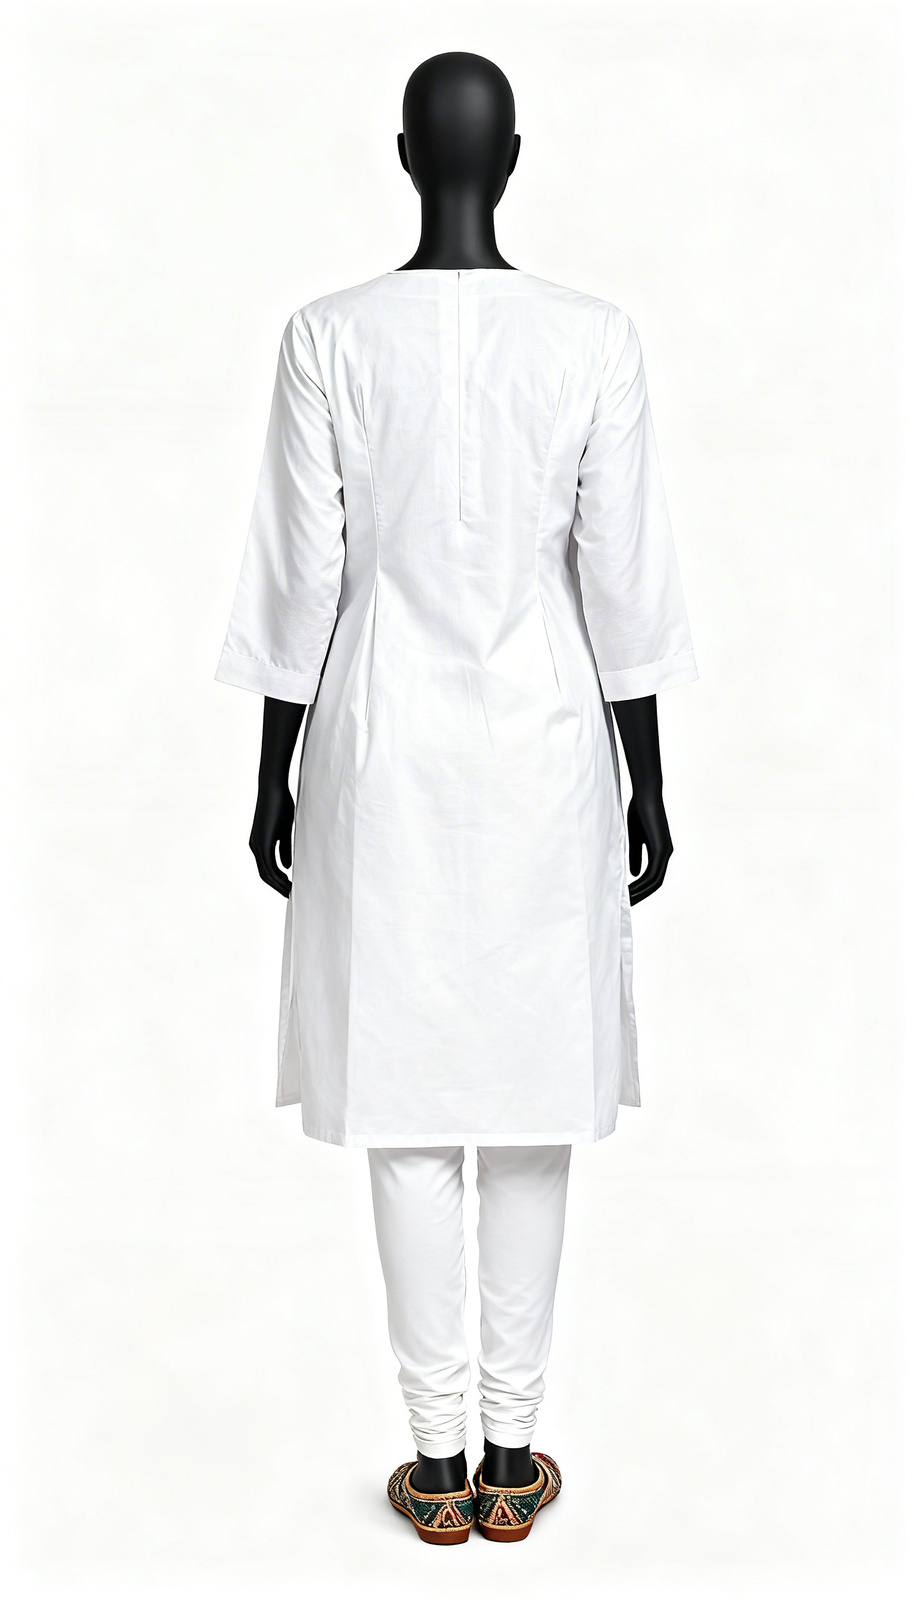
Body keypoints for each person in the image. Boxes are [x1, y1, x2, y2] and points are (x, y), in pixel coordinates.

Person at [215, 52, 697, 1545]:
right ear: (515, 155)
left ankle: (431, 1464)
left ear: (405, 151)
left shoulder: (328, 337)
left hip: (381, 748)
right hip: (547, 751)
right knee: (533, 1094)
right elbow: (620, 582)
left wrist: (274, 767)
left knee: (409, 1100)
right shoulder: (592, 340)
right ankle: (511, 1449)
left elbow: (302, 576)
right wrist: (647, 774)